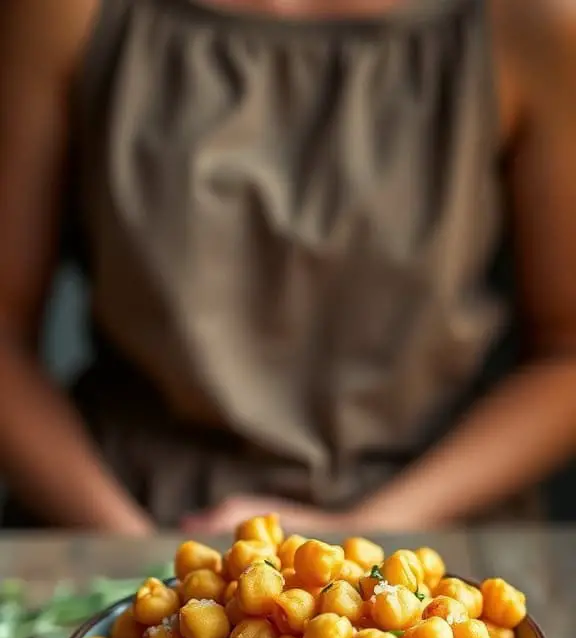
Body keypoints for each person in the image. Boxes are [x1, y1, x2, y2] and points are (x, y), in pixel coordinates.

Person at [0, 0, 575, 536]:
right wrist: (138, 553)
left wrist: (360, 536)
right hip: (111, 508)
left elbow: (565, 356)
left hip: (435, 527)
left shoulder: (534, 23)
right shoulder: (64, 13)